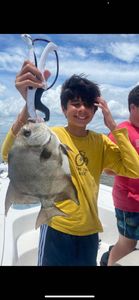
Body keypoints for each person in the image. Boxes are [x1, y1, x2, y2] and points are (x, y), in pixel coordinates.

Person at [2, 60, 139, 266]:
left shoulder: (100, 142)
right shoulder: (52, 135)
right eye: (75, 103)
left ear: (95, 111)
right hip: (57, 226)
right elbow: (7, 155)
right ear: (64, 108)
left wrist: (112, 124)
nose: (82, 109)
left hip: (90, 231)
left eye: (87, 104)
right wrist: (27, 105)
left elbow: (134, 169)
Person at [104, 85, 139, 266]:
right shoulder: (121, 132)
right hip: (129, 203)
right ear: (133, 107)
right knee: (127, 244)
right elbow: (107, 169)